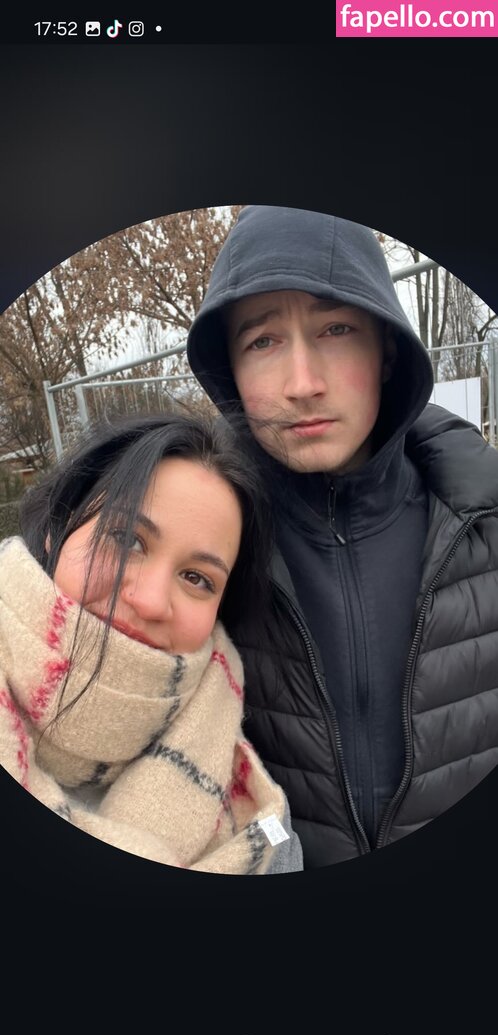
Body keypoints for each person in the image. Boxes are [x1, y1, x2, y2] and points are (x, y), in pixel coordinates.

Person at [186, 204, 498, 870]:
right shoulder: (189, 547)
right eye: (262, 341)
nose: (303, 385)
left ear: (388, 350)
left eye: (336, 329)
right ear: (228, 370)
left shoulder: (484, 523)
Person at [0, 410, 303, 874]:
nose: (151, 601)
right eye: (126, 539)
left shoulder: (256, 820)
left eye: (197, 578)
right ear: (57, 529)